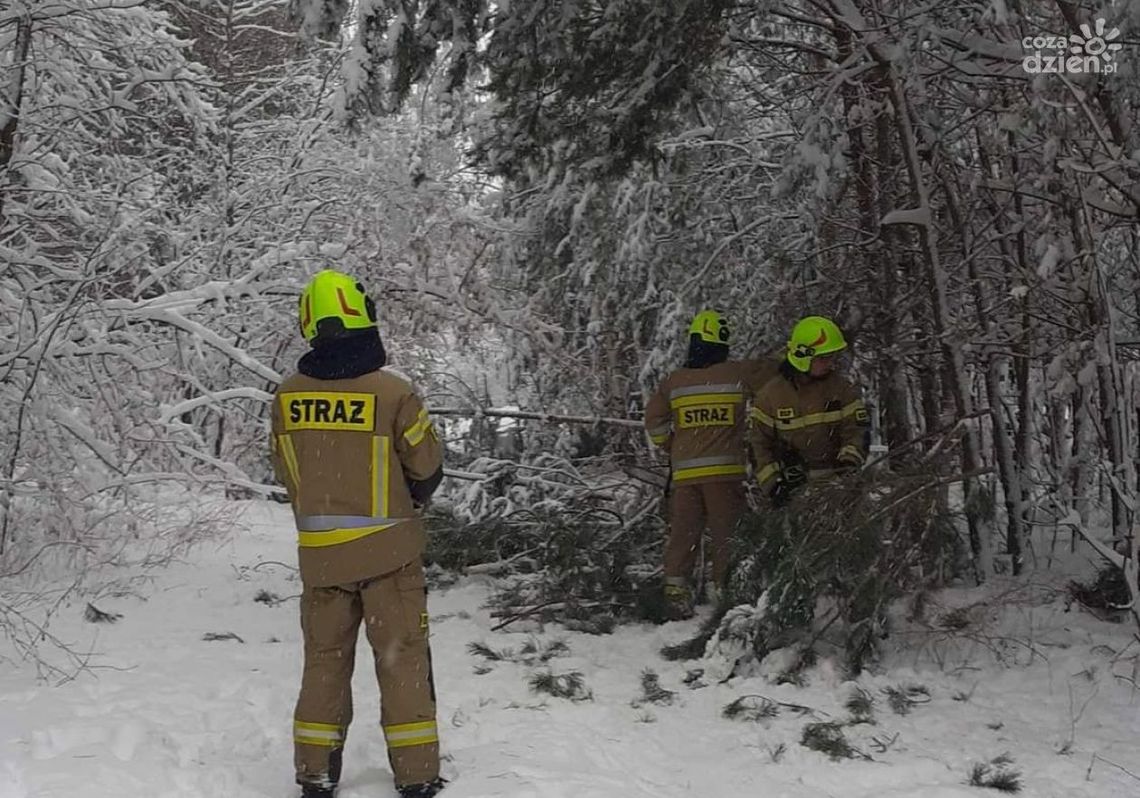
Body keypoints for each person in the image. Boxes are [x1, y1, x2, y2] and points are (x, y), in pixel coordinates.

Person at [270, 269, 447, 798]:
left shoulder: (287, 396)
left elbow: (284, 472)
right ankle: (416, 777)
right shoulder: (393, 392)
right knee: (402, 664)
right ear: (362, 316)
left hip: (321, 559)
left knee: (323, 665)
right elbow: (428, 467)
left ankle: (315, 773)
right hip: (390, 556)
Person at [644, 310, 781, 620]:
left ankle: (676, 595)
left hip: (685, 476)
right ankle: (725, 593)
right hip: (724, 475)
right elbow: (776, 372)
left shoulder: (673, 382)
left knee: (683, 535)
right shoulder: (737, 374)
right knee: (726, 535)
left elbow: (653, 422)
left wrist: (673, 446)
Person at [749, 315, 868, 505]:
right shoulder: (770, 397)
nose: (830, 363)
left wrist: (848, 464)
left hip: (840, 490)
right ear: (803, 356)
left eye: (833, 357)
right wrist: (774, 485)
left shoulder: (842, 389)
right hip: (794, 492)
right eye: (824, 358)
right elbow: (758, 446)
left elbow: (857, 431)